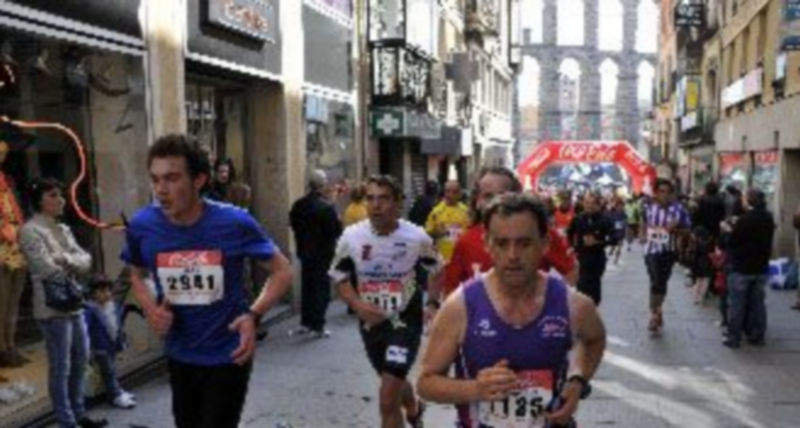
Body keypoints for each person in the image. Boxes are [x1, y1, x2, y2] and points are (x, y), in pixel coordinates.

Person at [122, 134, 293, 428]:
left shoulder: (234, 222)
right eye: (155, 179)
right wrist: (151, 309)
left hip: (228, 353)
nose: (161, 189)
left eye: (172, 178)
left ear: (199, 180)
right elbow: (136, 273)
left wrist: (253, 315)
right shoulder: (142, 225)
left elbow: (283, 270)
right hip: (179, 353)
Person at [417, 193, 606, 428]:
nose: (513, 256)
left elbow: (595, 339)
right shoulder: (461, 305)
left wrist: (578, 380)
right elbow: (426, 383)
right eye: (502, 243)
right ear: (487, 243)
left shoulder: (573, 304)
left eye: (524, 243)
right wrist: (475, 388)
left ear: (544, 244)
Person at [329, 175, 442, 428]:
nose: (376, 205)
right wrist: (358, 305)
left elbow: (437, 269)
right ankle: (414, 407)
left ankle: (406, 412)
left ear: (398, 204)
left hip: (404, 323)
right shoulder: (351, 236)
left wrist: (432, 304)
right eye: (371, 198)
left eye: (384, 198)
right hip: (371, 323)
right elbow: (339, 277)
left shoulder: (416, 237)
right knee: (392, 377)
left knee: (387, 398)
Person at [19, 178, 107, 428]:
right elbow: (45, 269)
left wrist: (64, 258)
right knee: (61, 367)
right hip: (51, 307)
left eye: (61, 195)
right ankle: (67, 421)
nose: (61, 200)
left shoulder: (64, 229)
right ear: (39, 200)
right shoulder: (30, 230)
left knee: (80, 360)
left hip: (74, 302)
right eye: (54, 195)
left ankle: (79, 414)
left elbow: (86, 260)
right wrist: (70, 262)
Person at [443, 167, 578, 297]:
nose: (495, 202)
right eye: (488, 196)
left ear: (516, 197)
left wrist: (550, 308)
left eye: (502, 195)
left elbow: (571, 273)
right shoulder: (465, 241)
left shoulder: (538, 232)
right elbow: (451, 290)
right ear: (478, 201)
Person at [289, 169, 343, 337]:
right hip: (323, 254)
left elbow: (293, 224)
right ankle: (318, 325)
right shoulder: (326, 207)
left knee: (307, 286)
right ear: (323, 185)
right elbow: (336, 231)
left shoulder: (299, 205)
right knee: (321, 289)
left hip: (305, 252)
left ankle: (306, 322)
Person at [722, 188, 775, 348]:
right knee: (758, 303)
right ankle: (757, 335)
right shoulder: (768, 217)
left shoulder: (745, 219)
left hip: (741, 267)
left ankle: (734, 337)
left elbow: (732, 241)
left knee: (737, 303)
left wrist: (727, 230)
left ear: (750, 200)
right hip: (760, 266)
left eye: (746, 198)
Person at [639, 179, 691, 335]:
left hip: (669, 250)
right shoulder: (647, 207)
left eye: (668, 192)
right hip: (651, 250)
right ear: (656, 192)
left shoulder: (679, 209)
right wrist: (642, 235)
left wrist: (674, 231)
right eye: (661, 191)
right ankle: (654, 314)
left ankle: (657, 309)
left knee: (661, 282)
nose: (664, 195)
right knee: (655, 280)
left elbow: (688, 230)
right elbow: (643, 224)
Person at [83, 275, 136, 409]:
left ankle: (117, 391)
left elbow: (115, 324)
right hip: (100, 347)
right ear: (93, 293)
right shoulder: (90, 310)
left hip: (110, 345)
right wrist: (87, 350)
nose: (106, 294)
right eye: (101, 291)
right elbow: (85, 331)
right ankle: (115, 395)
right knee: (108, 372)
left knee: (111, 370)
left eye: (108, 290)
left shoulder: (111, 305)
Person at [0, 139, 27, 368]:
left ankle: (9, 345)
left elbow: (16, 212)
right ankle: (3, 349)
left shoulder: (7, 182)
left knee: (12, 301)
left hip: (16, 249)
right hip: (2, 250)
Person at [568, 192, 614, 306]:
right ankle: (583, 313)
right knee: (582, 287)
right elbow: (570, 232)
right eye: (587, 203)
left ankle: (593, 311)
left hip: (597, 258)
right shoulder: (577, 219)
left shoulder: (604, 220)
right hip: (581, 258)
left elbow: (614, 238)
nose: (589, 206)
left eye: (593, 203)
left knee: (594, 289)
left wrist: (599, 242)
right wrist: (572, 247)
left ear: (598, 205)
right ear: (583, 204)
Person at [425, 180, 470, 263]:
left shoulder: (466, 211)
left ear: (459, 194)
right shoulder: (436, 211)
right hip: (442, 259)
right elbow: (427, 233)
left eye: (454, 192)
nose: (450, 195)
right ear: (444, 192)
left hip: (462, 258)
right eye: (447, 191)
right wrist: (438, 232)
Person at [690, 226, 714, 305]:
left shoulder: (698, 244)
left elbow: (695, 256)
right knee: (706, 281)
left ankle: (696, 298)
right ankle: (701, 297)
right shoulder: (709, 243)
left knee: (698, 281)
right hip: (708, 263)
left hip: (699, 264)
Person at [605, 197, 627, 265]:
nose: (620, 207)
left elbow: (625, 223)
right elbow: (609, 221)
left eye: (622, 206)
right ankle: (608, 256)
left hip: (621, 232)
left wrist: (625, 229)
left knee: (619, 247)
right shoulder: (612, 213)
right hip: (614, 232)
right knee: (613, 246)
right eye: (619, 206)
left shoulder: (624, 214)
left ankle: (616, 259)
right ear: (616, 207)